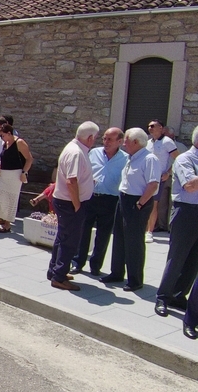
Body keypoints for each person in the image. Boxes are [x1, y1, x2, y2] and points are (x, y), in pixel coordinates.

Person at [101, 127, 161, 292]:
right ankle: (117, 272)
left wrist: (140, 204)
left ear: (136, 142)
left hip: (137, 201)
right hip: (124, 198)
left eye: (126, 140)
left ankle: (135, 279)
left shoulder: (150, 159)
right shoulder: (131, 157)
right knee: (119, 236)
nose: (124, 143)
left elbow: (153, 184)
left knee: (134, 241)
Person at [47, 122, 97, 291]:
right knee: (69, 241)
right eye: (94, 138)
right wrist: (77, 204)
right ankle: (59, 276)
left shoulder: (74, 148)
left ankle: (54, 270)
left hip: (65, 201)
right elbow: (71, 180)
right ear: (90, 138)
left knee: (62, 238)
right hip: (70, 203)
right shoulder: (76, 152)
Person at [71, 127, 127, 276]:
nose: (106, 142)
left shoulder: (125, 159)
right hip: (90, 196)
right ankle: (78, 262)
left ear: (119, 141)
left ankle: (95, 265)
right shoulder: (94, 153)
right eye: (104, 138)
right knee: (83, 230)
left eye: (110, 139)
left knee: (103, 234)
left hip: (110, 199)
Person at [156, 126, 198, 319]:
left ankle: (179, 295)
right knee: (177, 257)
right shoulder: (185, 159)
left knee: (194, 260)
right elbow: (189, 186)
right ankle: (163, 297)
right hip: (186, 211)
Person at [0, 123, 33, 232]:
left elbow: (29, 159)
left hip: (15, 175)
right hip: (4, 174)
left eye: (2, 135)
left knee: (11, 199)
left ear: (9, 133)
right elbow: (6, 156)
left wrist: (24, 172)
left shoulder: (19, 142)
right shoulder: (5, 143)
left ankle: (7, 224)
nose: (1, 138)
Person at [145, 120, 179, 242]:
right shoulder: (147, 143)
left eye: (153, 126)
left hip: (158, 178)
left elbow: (178, 160)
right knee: (143, 202)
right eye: (149, 126)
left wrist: (168, 173)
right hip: (145, 177)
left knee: (154, 204)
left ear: (161, 128)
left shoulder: (167, 142)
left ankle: (149, 231)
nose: (150, 128)